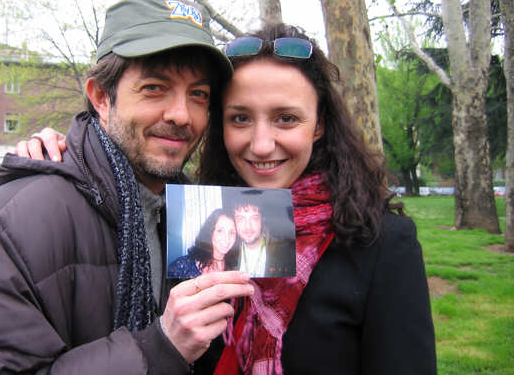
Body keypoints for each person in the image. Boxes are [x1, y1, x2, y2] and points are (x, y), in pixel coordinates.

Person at [23, 23, 437, 374]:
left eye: (286, 118)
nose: (261, 144)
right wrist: (74, 154)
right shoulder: (191, 218)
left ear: (318, 125)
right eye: (240, 118)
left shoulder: (380, 242)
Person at [0, 0, 254, 374]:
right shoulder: (11, 226)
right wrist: (158, 349)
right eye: (154, 88)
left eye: (198, 95)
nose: (181, 115)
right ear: (101, 98)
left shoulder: (194, 216)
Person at [229, 196, 295, 277]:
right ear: (234, 221)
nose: (248, 227)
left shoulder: (286, 252)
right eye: (240, 219)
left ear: (262, 219)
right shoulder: (229, 254)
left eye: (254, 218)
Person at [168, 208, 239, 278]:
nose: (227, 238)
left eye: (232, 232)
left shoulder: (236, 268)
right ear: (210, 232)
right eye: (220, 231)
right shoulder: (182, 266)